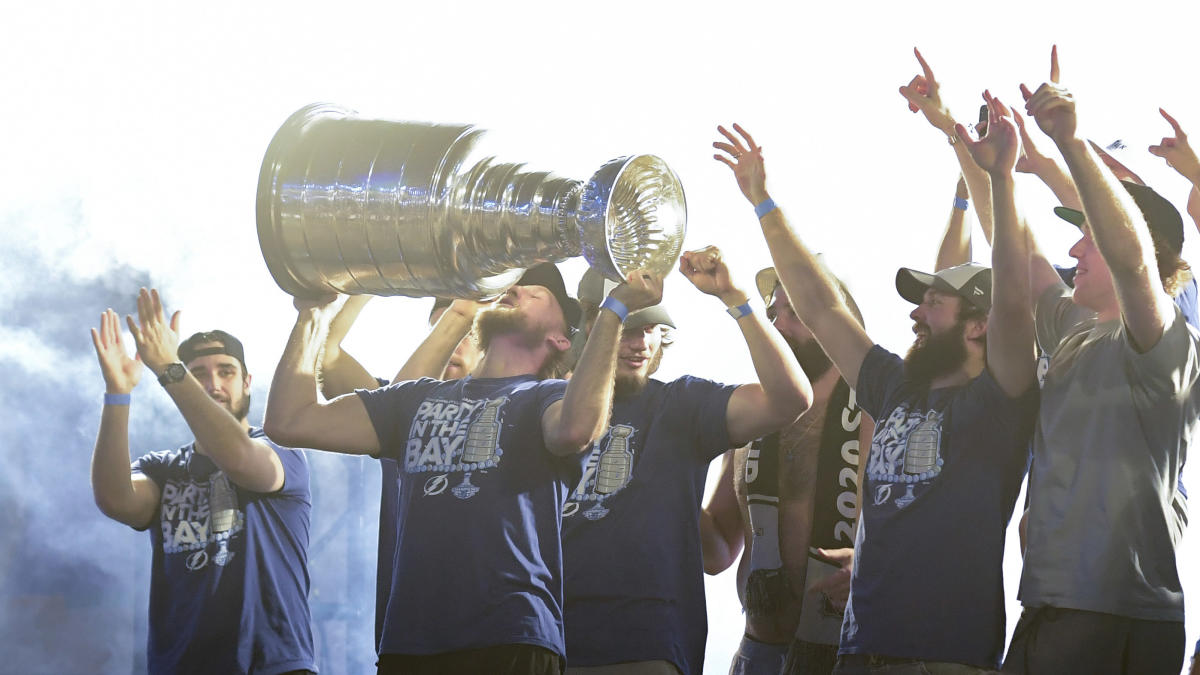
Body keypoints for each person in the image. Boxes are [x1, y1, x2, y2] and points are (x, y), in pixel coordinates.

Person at [713, 117, 1038, 673]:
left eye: (933, 302)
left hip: (945, 657)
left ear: (978, 326)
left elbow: (1013, 298)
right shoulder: (892, 387)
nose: (915, 311)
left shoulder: (1000, 399)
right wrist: (763, 202)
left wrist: (1001, 182)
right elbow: (819, 306)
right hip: (859, 651)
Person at [265, 262, 661, 675]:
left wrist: (614, 309)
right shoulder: (416, 399)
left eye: (534, 292)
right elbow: (289, 421)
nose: (516, 289)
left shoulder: (547, 397)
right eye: (513, 286)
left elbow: (578, 428)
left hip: (510, 637)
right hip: (408, 643)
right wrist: (314, 312)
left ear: (560, 338)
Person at [998, 58, 1198, 675]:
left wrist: (1070, 141)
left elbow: (1132, 259)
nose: (1073, 248)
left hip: (1116, 620)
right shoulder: (1072, 327)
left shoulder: (1165, 336)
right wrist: (992, 169)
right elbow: (1021, 260)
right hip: (1045, 609)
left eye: (1088, 234)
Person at [561, 251, 813, 675]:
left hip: (646, 647)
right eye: (627, 328)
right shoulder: (542, 405)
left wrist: (736, 299)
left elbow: (790, 400)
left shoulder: (681, 404)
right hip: (539, 640)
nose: (641, 343)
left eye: (652, 329)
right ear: (591, 324)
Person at [89, 288, 316, 675]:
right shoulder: (163, 467)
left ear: (247, 382)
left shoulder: (281, 449)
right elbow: (116, 499)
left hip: (272, 666)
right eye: (199, 374)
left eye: (225, 372)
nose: (213, 385)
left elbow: (240, 460)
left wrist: (170, 369)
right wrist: (117, 394)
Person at [701, 266, 874, 675]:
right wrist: (664, 482)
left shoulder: (879, 415)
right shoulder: (748, 419)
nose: (778, 324)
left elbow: (929, 533)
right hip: (758, 652)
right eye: (773, 312)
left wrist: (874, 566)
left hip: (850, 653)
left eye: (794, 312)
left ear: (838, 322)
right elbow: (717, 552)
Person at [317, 294, 483, 651]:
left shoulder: (519, 407)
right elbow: (324, 352)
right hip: (411, 627)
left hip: (494, 626)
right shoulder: (390, 406)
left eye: (466, 330)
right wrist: (369, 279)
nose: (452, 339)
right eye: (440, 327)